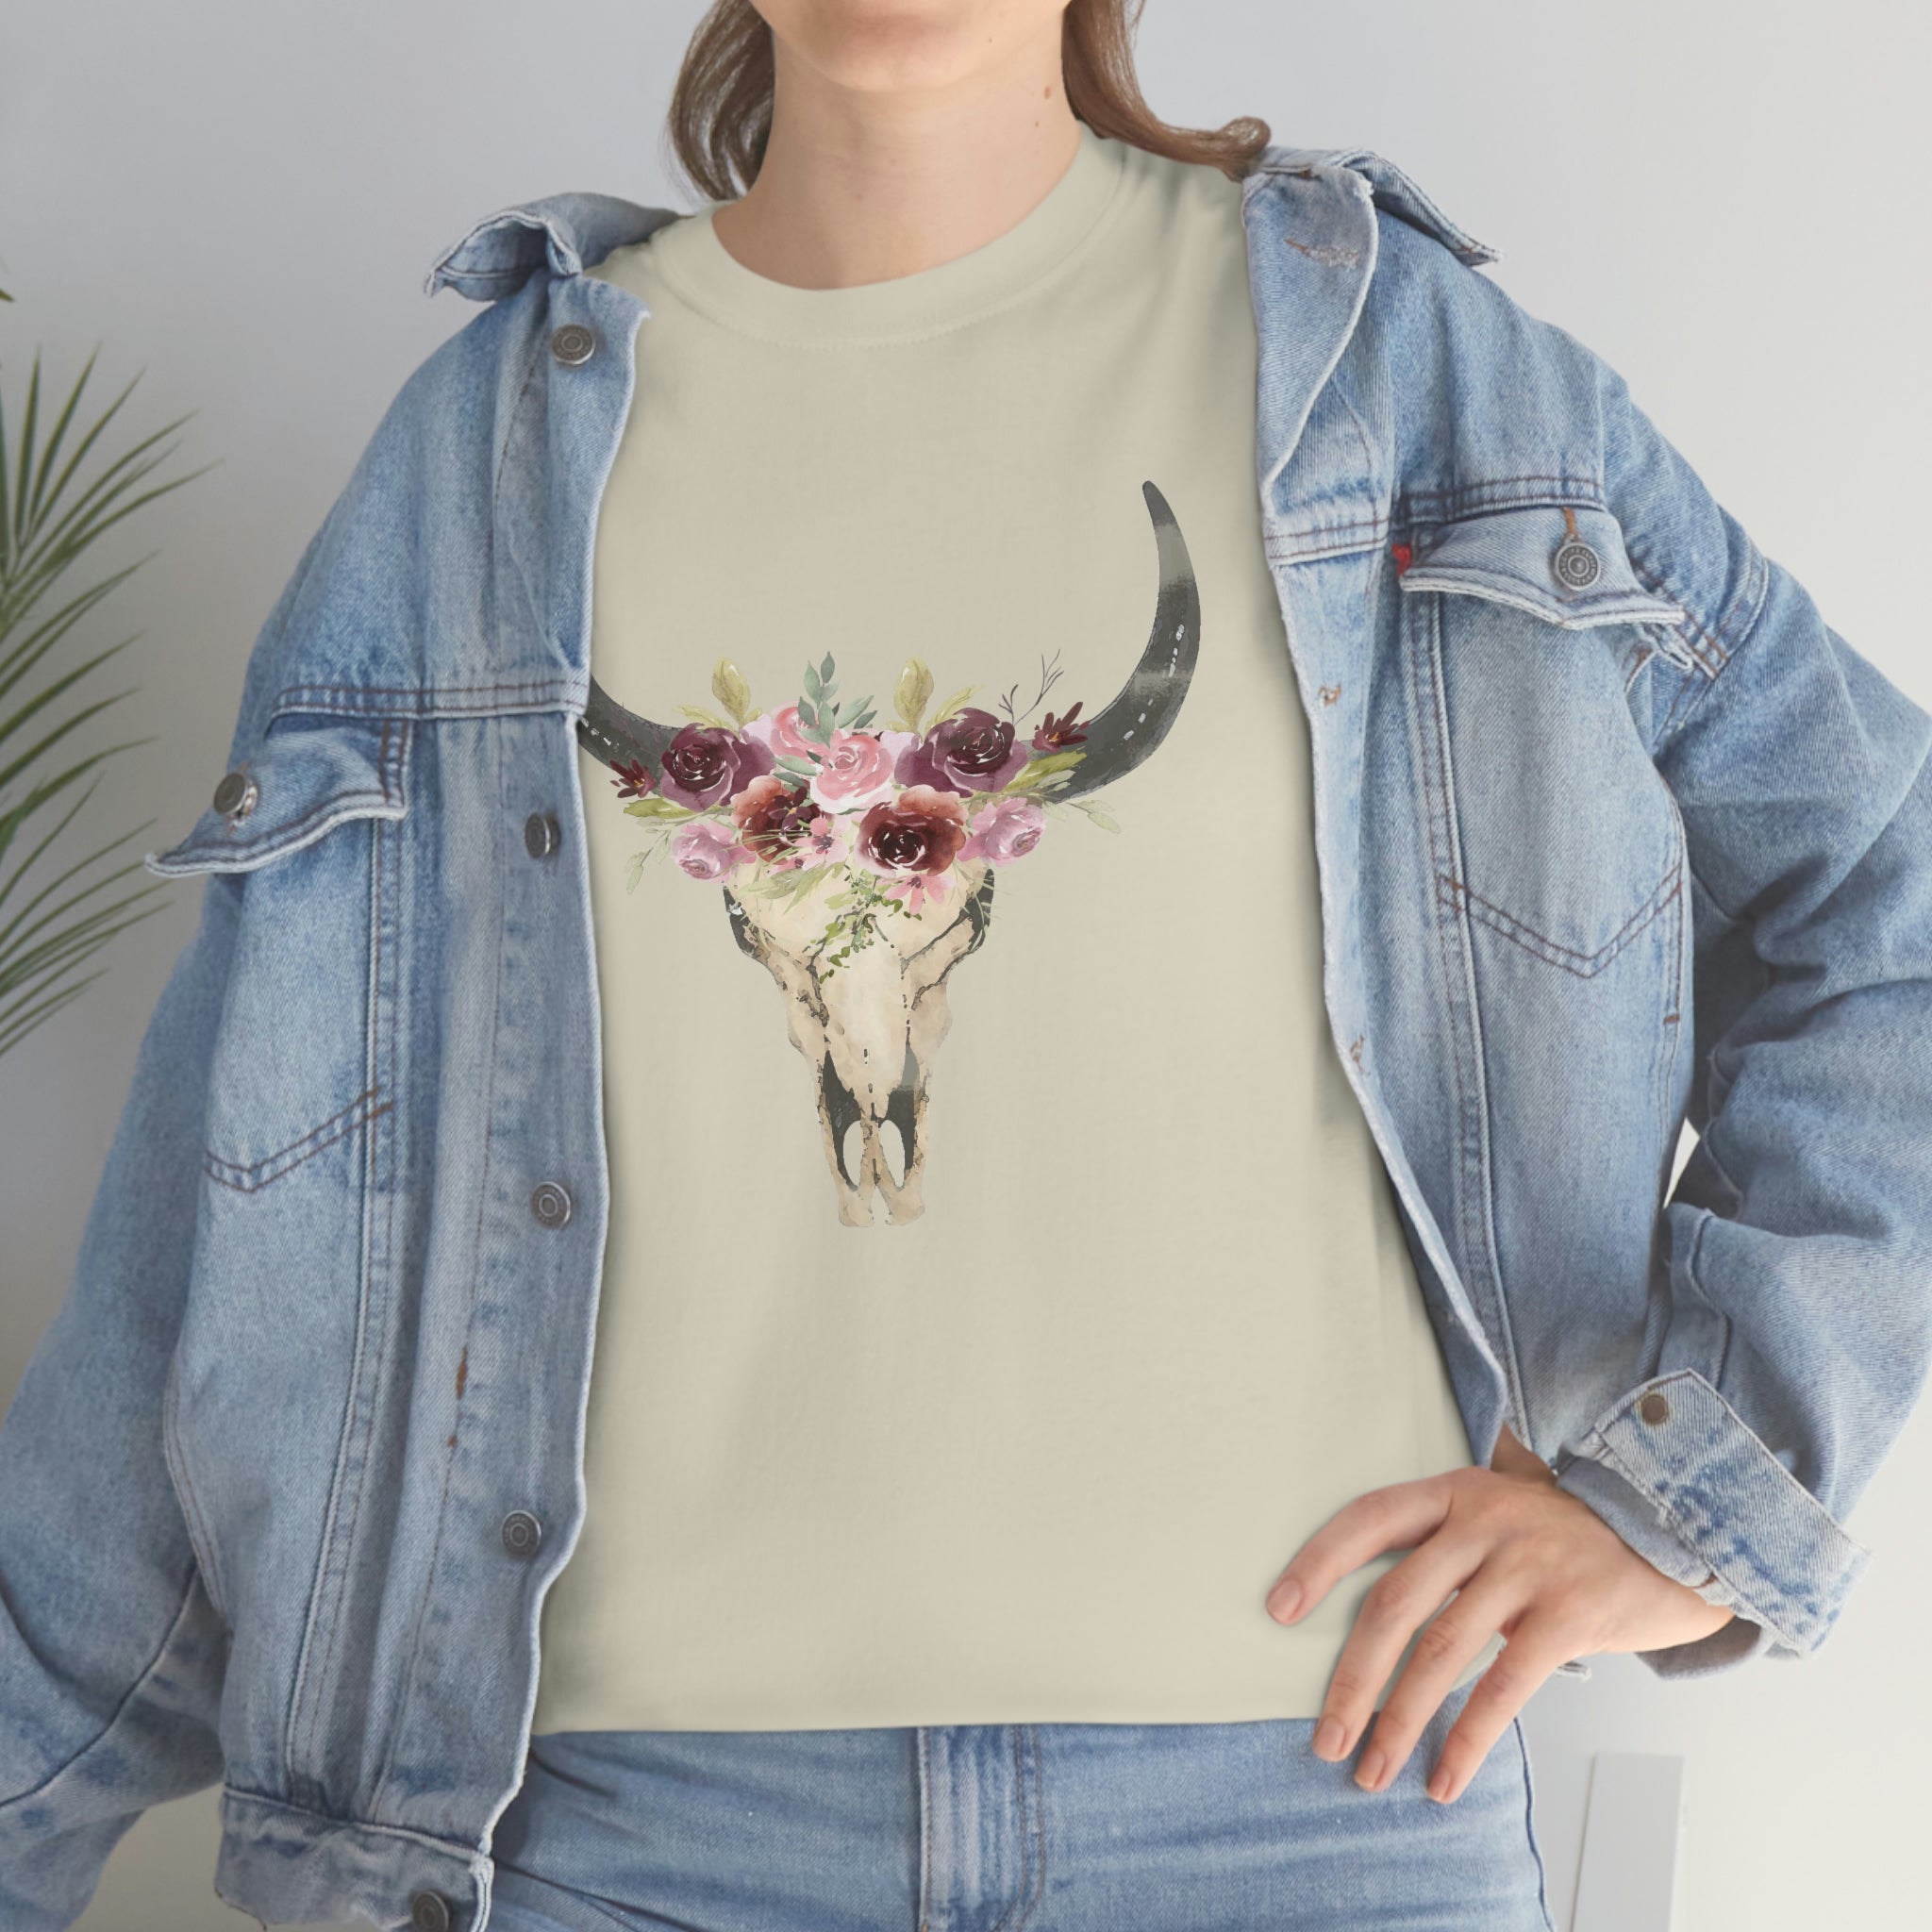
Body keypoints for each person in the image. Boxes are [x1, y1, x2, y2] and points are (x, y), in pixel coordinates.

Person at [4, 3, 1927, 1929]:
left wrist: (1698, 1501)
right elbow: (226, 1242)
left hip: (1321, 1813)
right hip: (613, 1844)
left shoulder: (1412, 377)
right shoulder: (472, 464)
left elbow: (1885, 901)